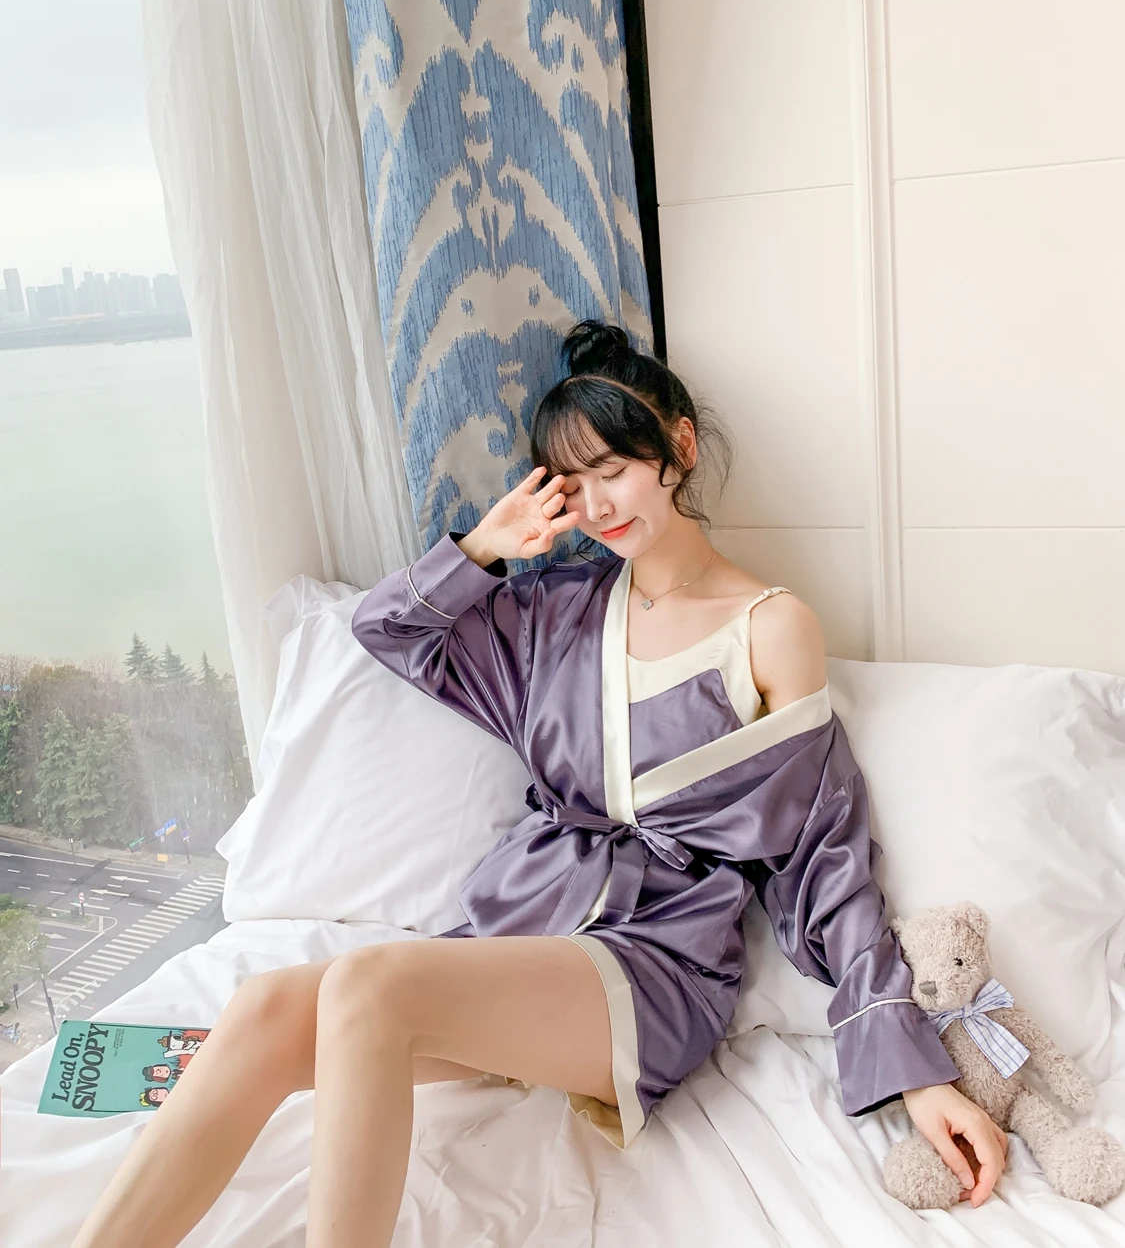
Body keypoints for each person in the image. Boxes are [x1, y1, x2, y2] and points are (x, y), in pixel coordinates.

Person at [70, 320, 1007, 1248]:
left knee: (370, 983)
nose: (596, 505)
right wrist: (485, 548)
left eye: (615, 470)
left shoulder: (768, 624)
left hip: (652, 961)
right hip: (518, 933)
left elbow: (820, 848)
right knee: (263, 1008)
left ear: (679, 448)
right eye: (572, 481)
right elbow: (387, 632)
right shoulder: (553, 611)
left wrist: (913, 1068)